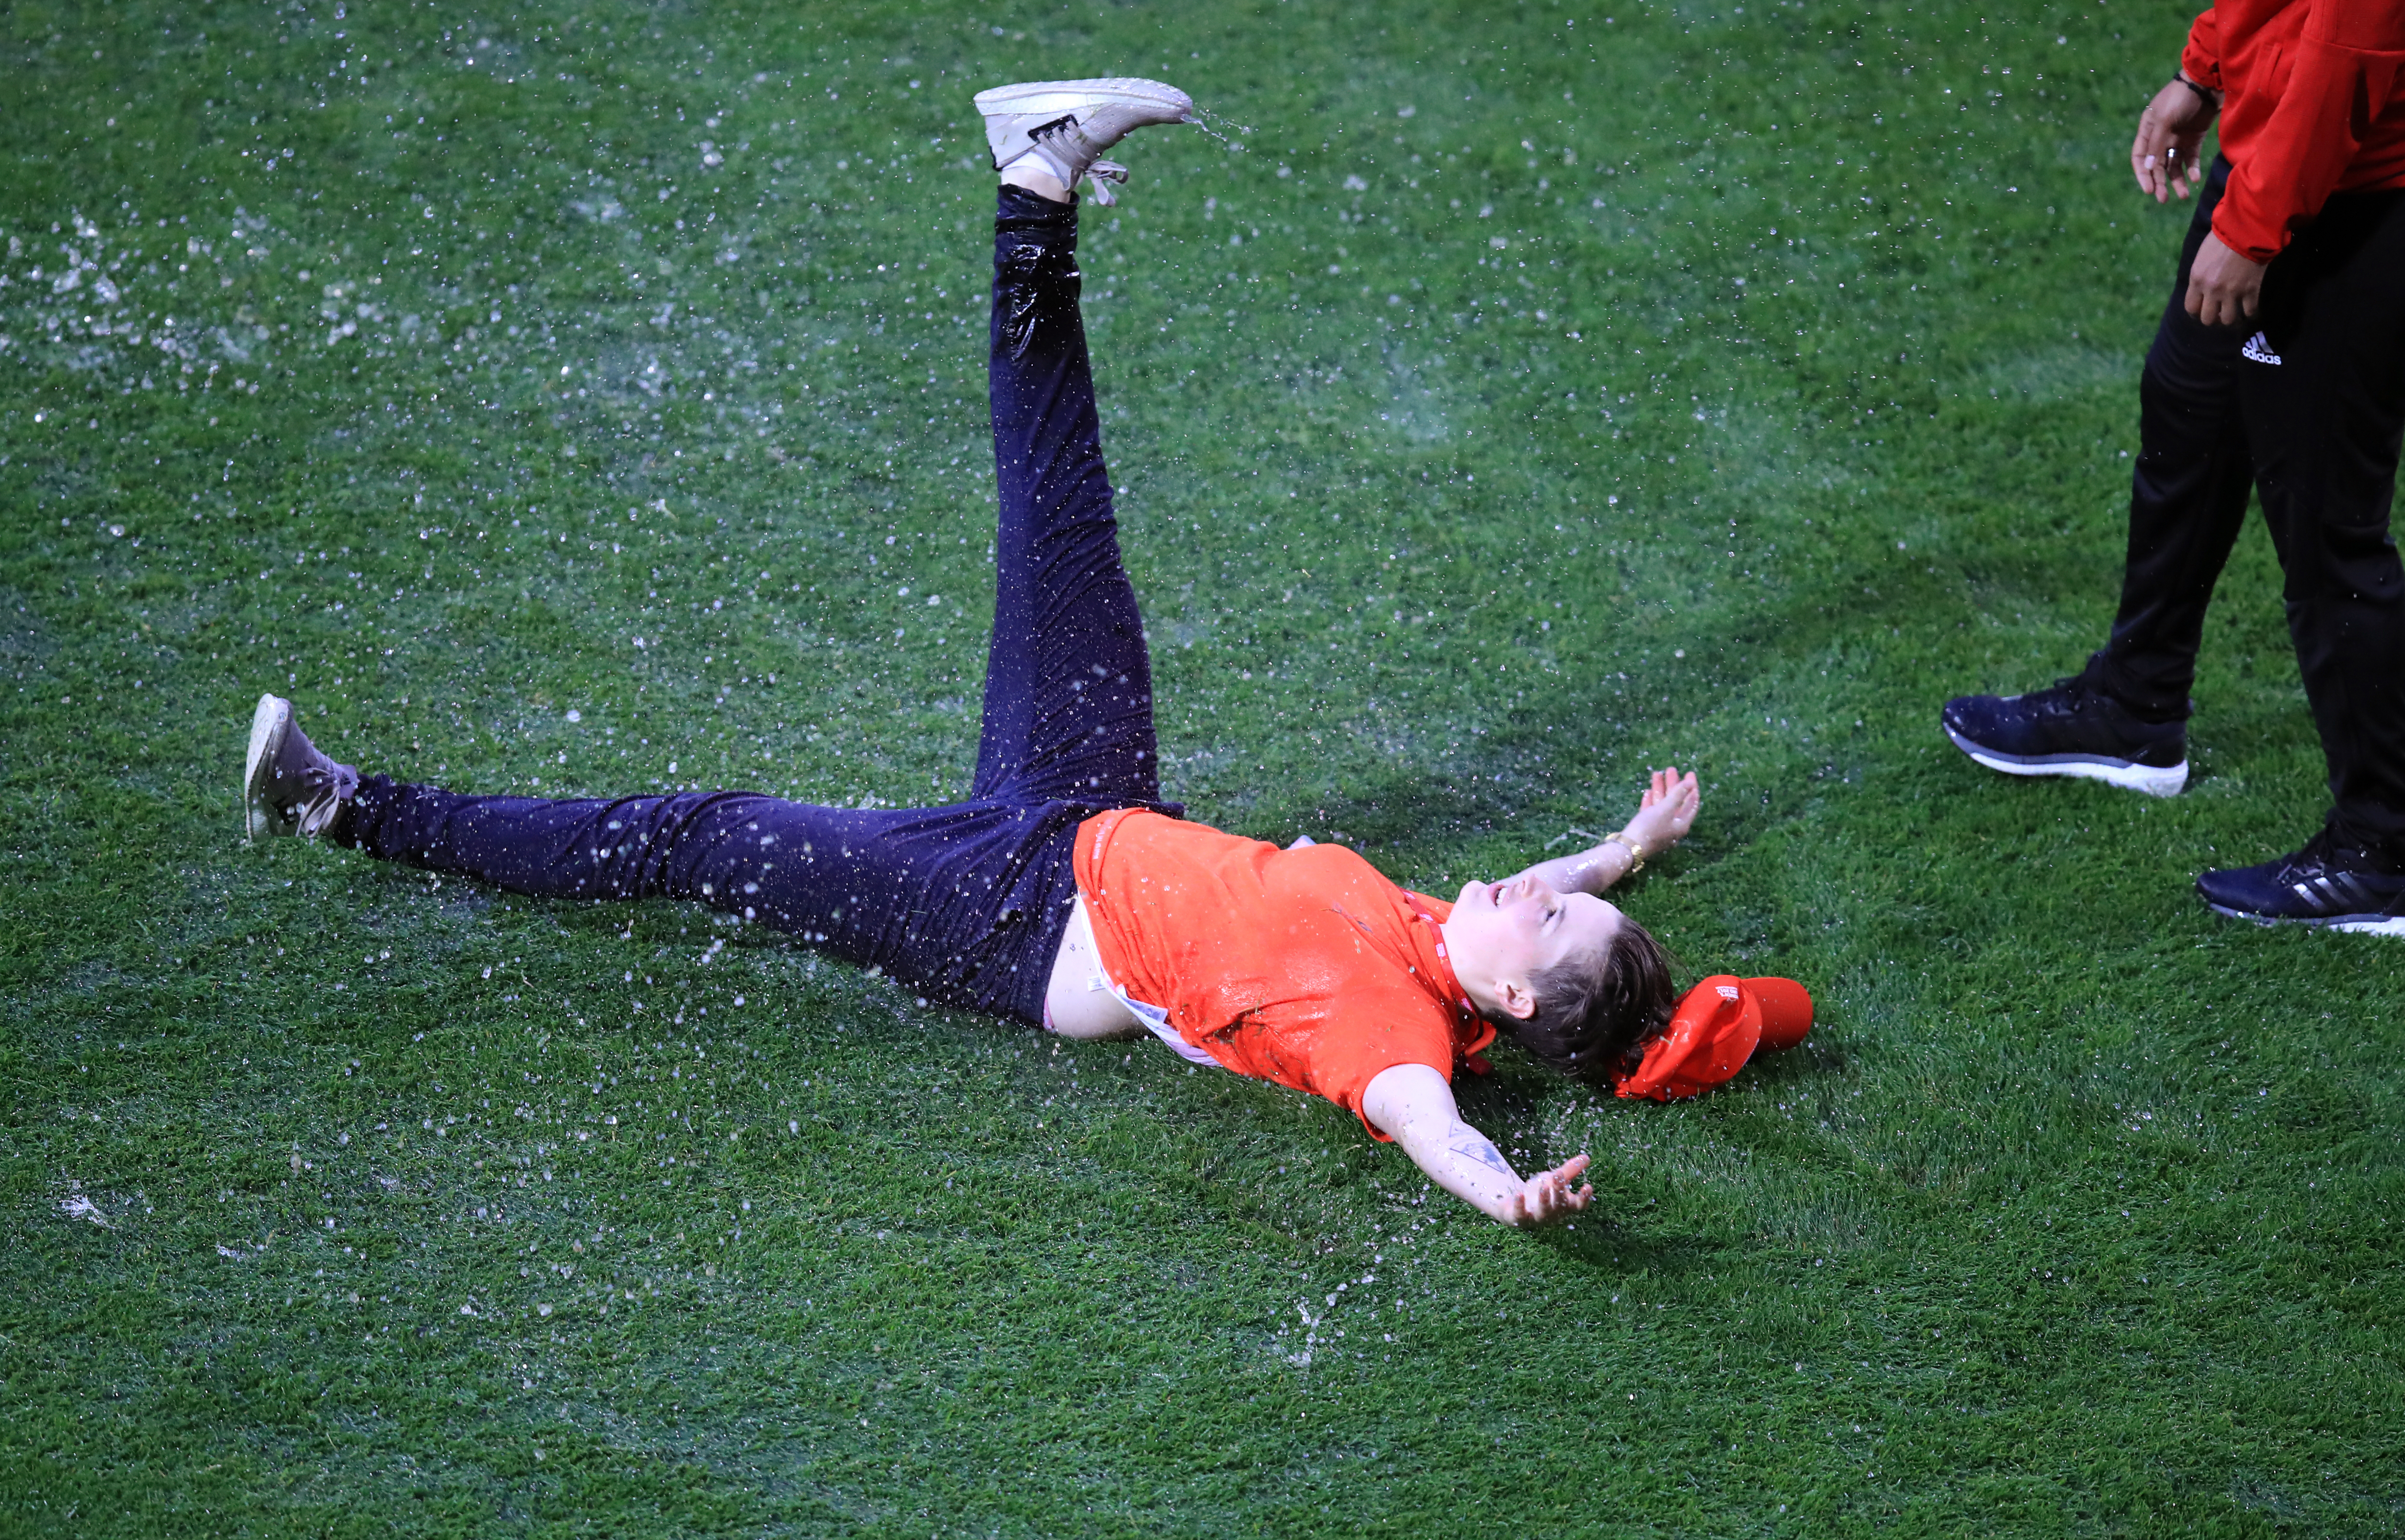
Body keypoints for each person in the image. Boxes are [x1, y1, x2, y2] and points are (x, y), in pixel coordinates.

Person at [242, 80, 1772, 1228]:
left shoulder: (1387, 1034)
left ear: (1507, 1010)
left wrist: (1505, 1194)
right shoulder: (1452, 936)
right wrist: (1626, 847)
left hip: (1011, 920)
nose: (1522, 892)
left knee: (692, 835)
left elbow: (1429, 1126)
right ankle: (1034, 175)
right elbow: (1548, 899)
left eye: (1541, 927)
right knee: (1062, 513)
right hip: (1084, 803)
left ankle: (344, 808)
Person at [1939, 1, 2405, 935]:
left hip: (2349, 204)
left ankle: (2382, 850)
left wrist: (2257, 225)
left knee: (2326, 532)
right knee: (2189, 421)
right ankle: (2133, 706)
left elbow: (2348, 44)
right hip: (2270, 162)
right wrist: (2204, 73)